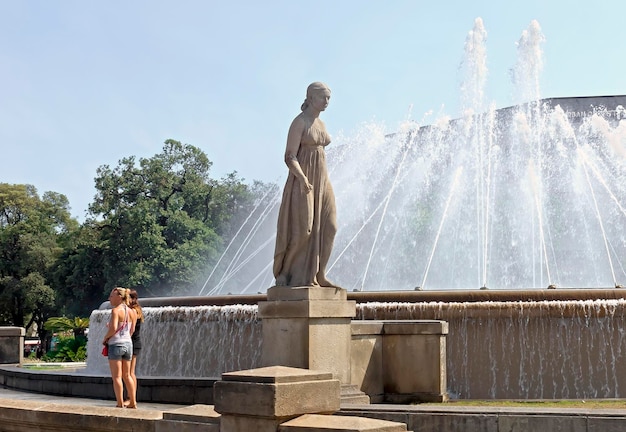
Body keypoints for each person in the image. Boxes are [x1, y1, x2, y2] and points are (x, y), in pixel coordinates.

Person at [273, 82, 339, 288]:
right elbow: (289, 156)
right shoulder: (299, 122)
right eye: (323, 98)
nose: (326, 102)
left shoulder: (321, 124)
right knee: (303, 230)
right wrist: (302, 178)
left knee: (330, 227)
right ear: (310, 98)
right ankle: (285, 273)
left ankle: (319, 274)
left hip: (322, 179)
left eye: (328, 98)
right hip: (303, 181)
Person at [101, 287, 137, 408]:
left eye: (111, 296)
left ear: (119, 297)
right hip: (128, 344)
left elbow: (113, 328)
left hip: (116, 344)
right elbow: (132, 330)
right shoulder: (133, 312)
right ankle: (133, 402)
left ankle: (120, 403)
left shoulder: (116, 311)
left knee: (117, 376)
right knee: (127, 375)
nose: (109, 298)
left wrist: (105, 338)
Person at [126, 289, 143, 405]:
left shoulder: (132, 311)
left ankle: (131, 398)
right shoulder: (138, 310)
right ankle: (131, 397)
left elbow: (130, 330)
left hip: (132, 342)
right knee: (131, 373)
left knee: (128, 373)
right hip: (136, 342)